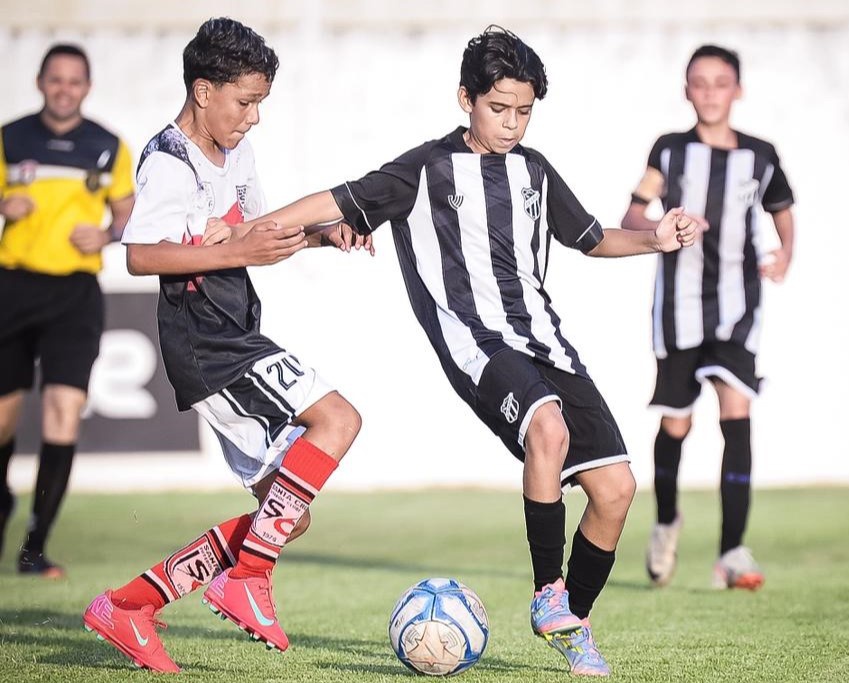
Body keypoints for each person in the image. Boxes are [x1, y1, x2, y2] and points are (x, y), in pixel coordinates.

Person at [216, 26, 701, 677]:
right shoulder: (424, 169)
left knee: (616, 489)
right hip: (476, 345)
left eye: (523, 111)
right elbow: (333, 199)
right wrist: (248, 230)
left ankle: (570, 619)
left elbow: (589, 237)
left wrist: (656, 240)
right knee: (547, 428)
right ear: (465, 97)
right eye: (498, 107)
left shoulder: (534, 170)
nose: (510, 123)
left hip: (547, 344)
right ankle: (545, 590)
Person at [82, 18, 364, 673]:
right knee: (339, 418)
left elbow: (255, 231)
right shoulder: (168, 158)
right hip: (206, 340)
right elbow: (141, 256)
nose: (254, 117)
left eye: (261, 101)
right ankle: (246, 579)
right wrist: (234, 248)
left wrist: (324, 234)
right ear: (203, 91)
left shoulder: (234, 151)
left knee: (286, 517)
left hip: (232, 334)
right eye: (246, 101)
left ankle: (128, 605)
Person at [621, 44, 796, 591]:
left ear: (737, 90)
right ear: (686, 89)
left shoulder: (761, 156)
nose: (711, 92)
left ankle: (732, 552)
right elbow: (632, 212)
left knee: (736, 413)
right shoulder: (669, 151)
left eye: (721, 82)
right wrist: (659, 225)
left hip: (737, 306)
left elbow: (783, 213)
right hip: (678, 308)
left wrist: (785, 253)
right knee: (676, 422)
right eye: (700, 82)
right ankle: (666, 521)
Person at [0, 44, 135, 579]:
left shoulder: (107, 147)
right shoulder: (10, 138)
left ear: (87, 86)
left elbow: (127, 216)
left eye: (74, 81)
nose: (64, 89)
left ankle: (34, 548)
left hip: (75, 295)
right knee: (4, 420)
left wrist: (105, 233)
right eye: (55, 79)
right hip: (12, 287)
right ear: (39, 82)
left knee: (62, 412)